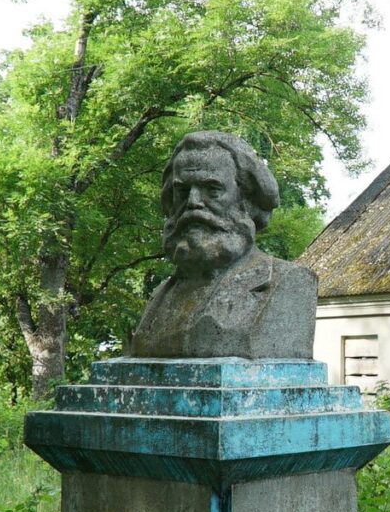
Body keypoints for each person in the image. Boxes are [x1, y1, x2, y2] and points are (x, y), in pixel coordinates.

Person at [130, 131, 317, 359]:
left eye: (213, 190)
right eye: (182, 191)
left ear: (246, 200)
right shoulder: (160, 296)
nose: (193, 202)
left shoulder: (288, 282)